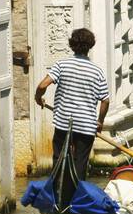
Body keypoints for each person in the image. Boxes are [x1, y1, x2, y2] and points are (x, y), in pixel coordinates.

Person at [35, 28, 110, 188]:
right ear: (90, 46)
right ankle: (77, 198)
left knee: (58, 159)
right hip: (86, 125)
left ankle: (56, 192)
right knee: (80, 165)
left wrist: (37, 98)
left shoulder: (61, 65)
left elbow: (43, 84)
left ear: (72, 45)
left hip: (63, 122)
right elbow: (105, 100)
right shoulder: (97, 72)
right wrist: (100, 121)